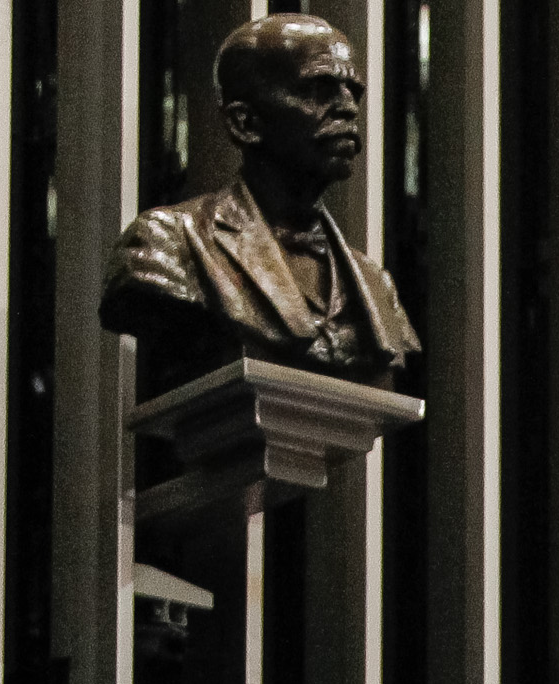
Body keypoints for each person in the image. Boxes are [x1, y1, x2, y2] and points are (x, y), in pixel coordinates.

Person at [96, 17, 420, 400]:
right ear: (245, 122)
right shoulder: (165, 244)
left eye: (353, 92)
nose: (348, 108)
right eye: (318, 89)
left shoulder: (376, 286)